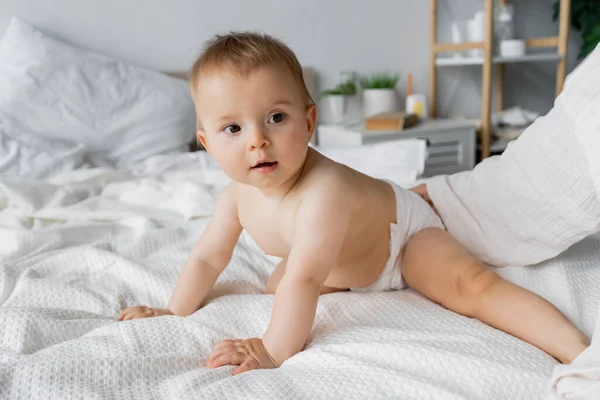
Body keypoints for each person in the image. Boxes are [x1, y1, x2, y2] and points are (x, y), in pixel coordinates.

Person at [118, 32, 589, 375]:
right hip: (343, 259)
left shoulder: (324, 190)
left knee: (466, 283)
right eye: (233, 129)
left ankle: (578, 350)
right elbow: (207, 256)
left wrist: (272, 350)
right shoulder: (234, 198)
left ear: (309, 121)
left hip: (399, 240)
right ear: (205, 142)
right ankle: (346, 278)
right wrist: (175, 310)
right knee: (272, 285)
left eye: (275, 118)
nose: (258, 141)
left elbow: (305, 277)